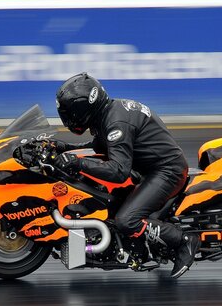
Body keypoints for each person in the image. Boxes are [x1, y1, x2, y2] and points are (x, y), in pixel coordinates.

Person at [51, 73, 200, 279]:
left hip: (166, 171)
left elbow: (118, 171)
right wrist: (64, 148)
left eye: (70, 113)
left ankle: (184, 241)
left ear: (84, 107)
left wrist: (77, 163)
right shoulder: (109, 113)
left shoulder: (116, 122)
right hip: (148, 169)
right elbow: (101, 147)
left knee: (126, 221)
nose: (68, 119)